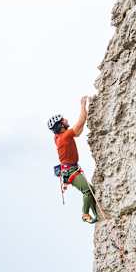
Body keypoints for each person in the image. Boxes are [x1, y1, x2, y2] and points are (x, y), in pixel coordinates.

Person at [48, 96, 98, 224]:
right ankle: (85, 214)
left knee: (91, 190)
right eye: (63, 120)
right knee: (87, 190)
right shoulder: (64, 137)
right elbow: (80, 123)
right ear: (61, 125)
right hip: (71, 171)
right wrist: (82, 105)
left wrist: (84, 117)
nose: (66, 120)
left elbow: (79, 131)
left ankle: (96, 214)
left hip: (70, 169)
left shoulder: (59, 137)